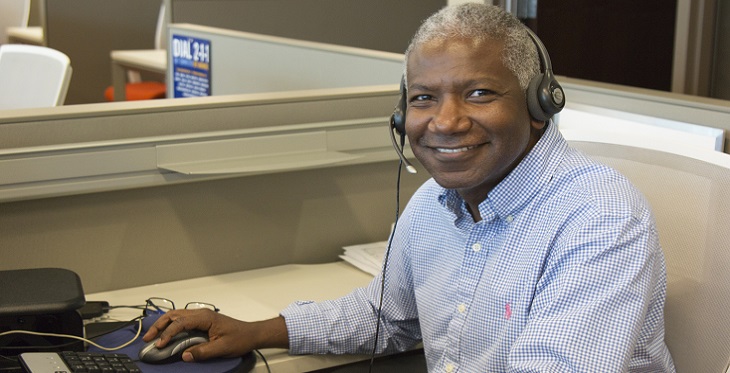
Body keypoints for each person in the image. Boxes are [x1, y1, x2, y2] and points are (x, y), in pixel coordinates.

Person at [143, 3, 676, 371]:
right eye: (423, 98)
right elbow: (384, 316)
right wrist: (257, 331)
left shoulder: (599, 220)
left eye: (478, 92)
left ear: (540, 106)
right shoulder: (433, 205)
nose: (444, 122)